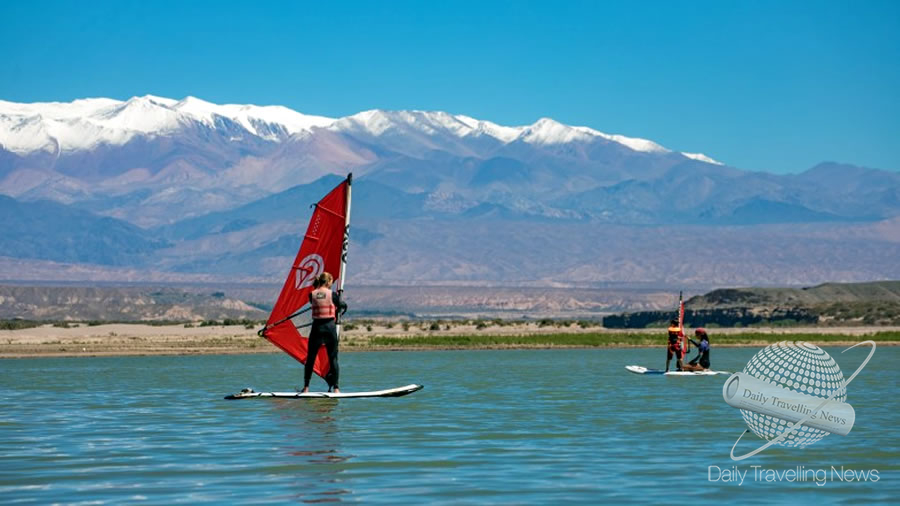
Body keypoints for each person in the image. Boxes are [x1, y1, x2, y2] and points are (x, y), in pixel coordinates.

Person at [301, 272, 348, 393]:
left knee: (311, 358)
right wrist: (343, 303)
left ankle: (306, 387)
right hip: (329, 328)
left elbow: (316, 302)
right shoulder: (332, 294)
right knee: (333, 358)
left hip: (317, 328)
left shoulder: (311, 294)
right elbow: (341, 305)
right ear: (328, 282)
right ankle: (336, 388)